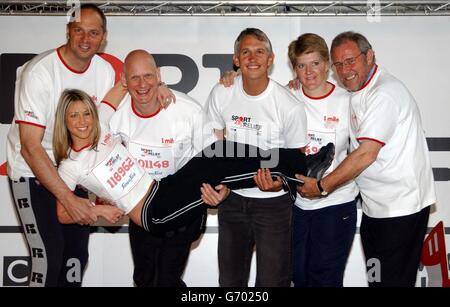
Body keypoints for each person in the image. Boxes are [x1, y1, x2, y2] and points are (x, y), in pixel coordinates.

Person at [6, 4, 174, 287]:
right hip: (34, 172)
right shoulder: (40, 72)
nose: (86, 39)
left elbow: (128, 88)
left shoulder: (104, 70)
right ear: (68, 32)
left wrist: (160, 84)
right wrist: (70, 199)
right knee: (48, 257)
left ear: (103, 37)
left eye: (93, 33)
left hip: (79, 172)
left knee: (75, 259)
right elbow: (30, 147)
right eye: (79, 31)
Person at [54, 89, 310, 248]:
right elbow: (63, 214)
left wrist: (160, 86)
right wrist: (98, 209)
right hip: (151, 213)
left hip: (160, 188)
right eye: (74, 116)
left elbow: (125, 83)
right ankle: (300, 170)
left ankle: (298, 162)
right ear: (64, 122)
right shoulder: (70, 166)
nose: (83, 122)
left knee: (217, 151)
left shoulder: (103, 126)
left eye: (86, 113)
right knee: (216, 170)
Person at [297, 31, 436, 287]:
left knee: (390, 283)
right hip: (375, 208)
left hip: (400, 208)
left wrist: (320, 187)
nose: (344, 69)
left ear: (369, 56)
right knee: (378, 280)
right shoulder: (357, 91)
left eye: (350, 60)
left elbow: (365, 154)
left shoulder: (384, 93)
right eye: (338, 64)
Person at [205, 28, 308, 287]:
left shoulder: (290, 105)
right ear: (236, 60)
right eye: (246, 52)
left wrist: (279, 184)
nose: (253, 58)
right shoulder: (221, 93)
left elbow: (297, 164)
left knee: (272, 282)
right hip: (232, 201)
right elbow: (212, 146)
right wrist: (220, 186)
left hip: (274, 206)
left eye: (259, 51)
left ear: (271, 59)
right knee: (230, 282)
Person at [108, 49, 219, 287]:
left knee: (166, 279)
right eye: (134, 78)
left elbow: (213, 158)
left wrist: (220, 190)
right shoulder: (115, 114)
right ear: (124, 80)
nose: (142, 84)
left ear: (158, 75)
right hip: (142, 204)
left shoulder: (188, 109)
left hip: (184, 201)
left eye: (148, 76)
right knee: (145, 278)